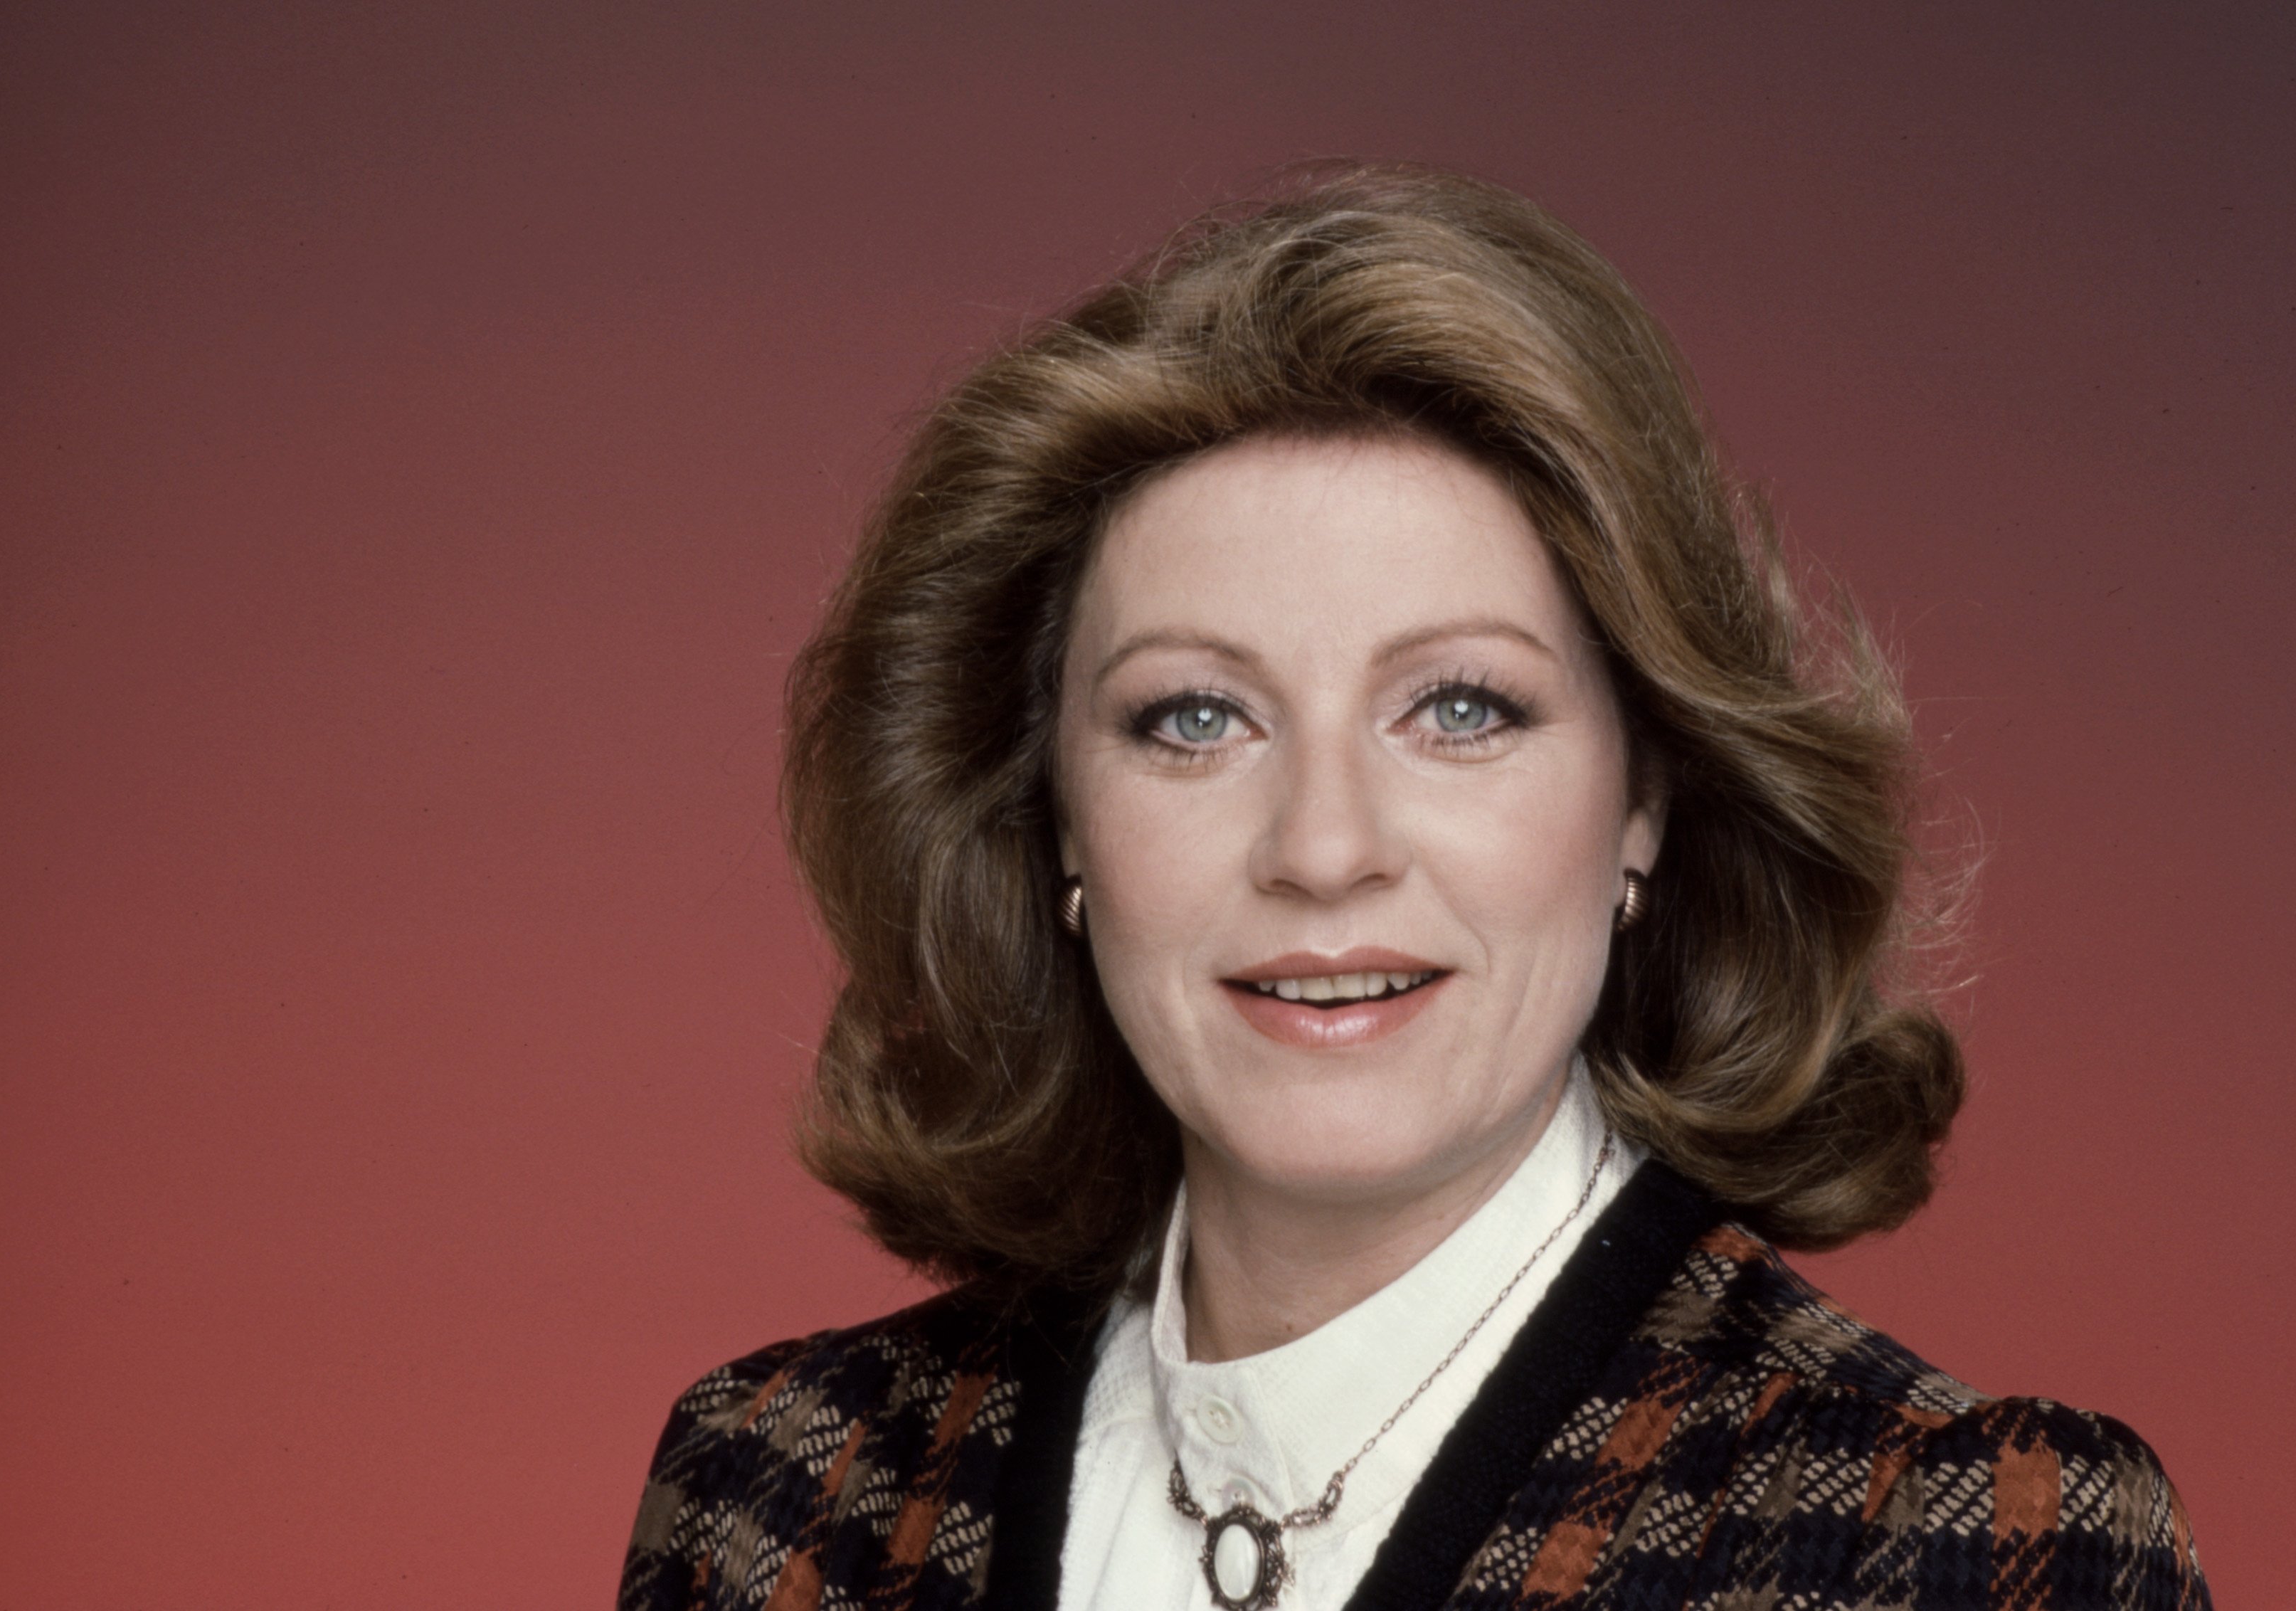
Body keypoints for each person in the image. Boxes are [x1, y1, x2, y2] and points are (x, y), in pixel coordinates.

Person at [617, 164, 2208, 1611]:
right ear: (1054, 825)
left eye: (1460, 708)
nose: (1323, 846)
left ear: (1645, 797)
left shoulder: (1953, 1548)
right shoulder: (787, 1496)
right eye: (1195, 717)